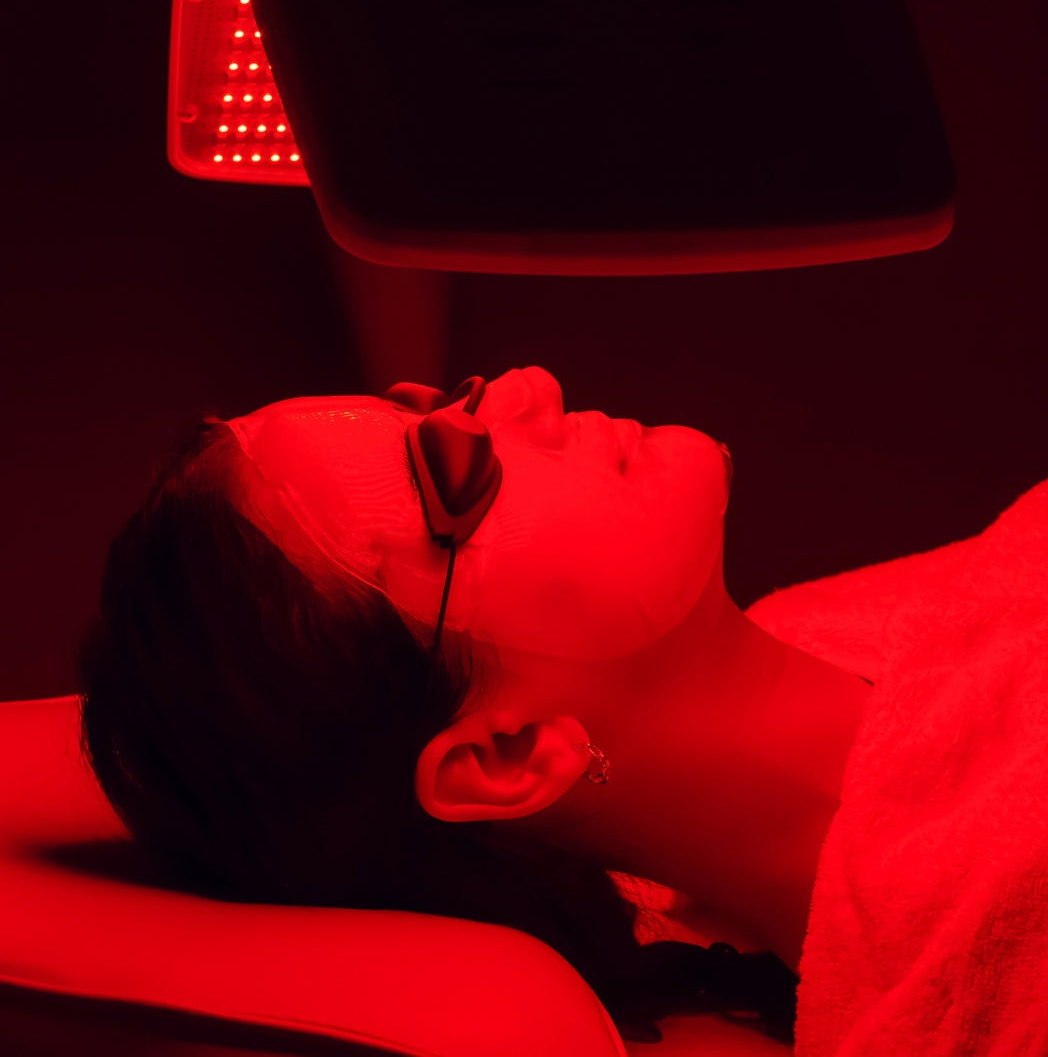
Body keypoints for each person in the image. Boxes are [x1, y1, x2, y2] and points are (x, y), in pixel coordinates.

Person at [77, 366, 874, 1046]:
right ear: (508, 755)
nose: (530, 385)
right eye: (457, 474)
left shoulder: (865, 622)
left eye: (441, 404)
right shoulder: (967, 911)